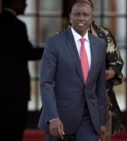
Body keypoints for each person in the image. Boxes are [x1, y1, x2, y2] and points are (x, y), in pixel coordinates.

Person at [37, 1, 107, 141]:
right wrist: (53, 117)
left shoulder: (100, 45)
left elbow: (100, 86)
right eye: (77, 14)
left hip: (89, 118)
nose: (81, 18)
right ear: (70, 17)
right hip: (60, 116)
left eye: (85, 15)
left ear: (92, 18)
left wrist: (102, 121)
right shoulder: (55, 43)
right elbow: (46, 83)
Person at [0, 0, 43, 141]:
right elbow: (27, 53)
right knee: (13, 132)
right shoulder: (18, 26)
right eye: (23, 2)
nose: (26, 5)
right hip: (16, 92)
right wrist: (51, 50)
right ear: (14, 3)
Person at [83, 0, 126, 139]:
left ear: (93, 14)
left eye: (87, 11)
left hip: (101, 96)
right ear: (71, 14)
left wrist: (110, 72)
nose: (82, 16)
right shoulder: (62, 36)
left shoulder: (103, 34)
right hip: (72, 99)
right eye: (78, 11)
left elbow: (116, 62)